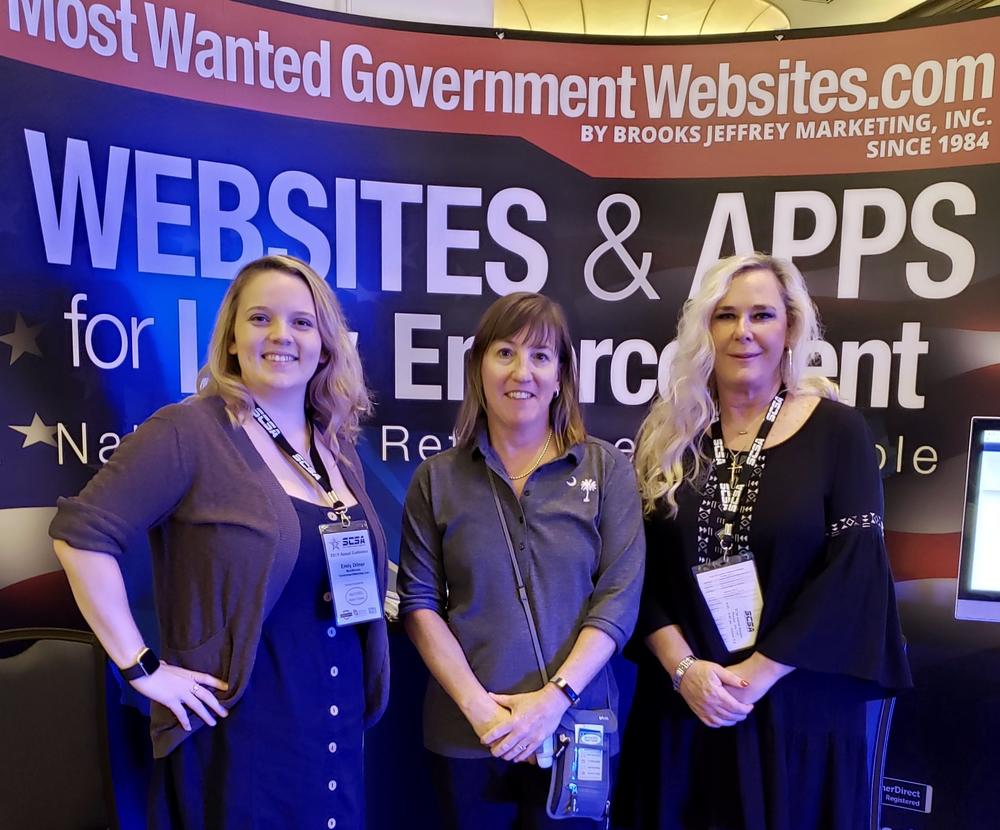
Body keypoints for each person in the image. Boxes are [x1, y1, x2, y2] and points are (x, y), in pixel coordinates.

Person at [49, 255, 389, 830]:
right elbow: (81, 537)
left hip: (333, 732)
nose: (282, 336)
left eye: (302, 323)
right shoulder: (190, 433)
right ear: (232, 338)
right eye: (261, 318)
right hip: (239, 739)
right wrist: (142, 668)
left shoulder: (335, 446)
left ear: (326, 344)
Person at [615, 253, 911, 830]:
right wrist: (686, 672)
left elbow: (853, 574)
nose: (743, 332)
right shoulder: (671, 435)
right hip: (686, 708)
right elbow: (637, 573)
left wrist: (752, 679)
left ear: (791, 328)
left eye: (762, 315)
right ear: (705, 329)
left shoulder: (838, 431)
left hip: (797, 710)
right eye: (726, 316)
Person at [397, 291, 644, 830]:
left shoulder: (606, 471)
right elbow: (418, 604)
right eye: (504, 353)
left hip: (577, 729)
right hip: (468, 736)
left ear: (561, 375)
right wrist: (483, 713)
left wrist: (553, 700)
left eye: (540, 355)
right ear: (478, 367)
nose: (521, 372)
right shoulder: (436, 479)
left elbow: (618, 599)